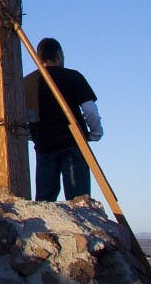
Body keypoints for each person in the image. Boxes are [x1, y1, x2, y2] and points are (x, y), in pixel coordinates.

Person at [24, 37, 103, 201]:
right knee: (79, 202)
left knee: (45, 202)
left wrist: (32, 135)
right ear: (59, 55)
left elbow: (26, 116)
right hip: (73, 143)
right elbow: (90, 110)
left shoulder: (28, 82)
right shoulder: (73, 77)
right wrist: (94, 133)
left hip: (44, 145)